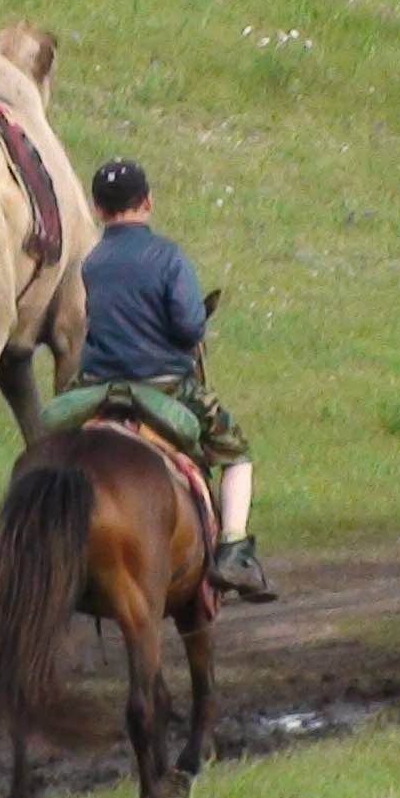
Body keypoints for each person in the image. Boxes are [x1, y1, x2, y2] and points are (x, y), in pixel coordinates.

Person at [76, 158, 274, 601]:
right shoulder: (168, 257)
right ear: (147, 202)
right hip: (165, 386)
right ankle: (232, 552)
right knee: (237, 452)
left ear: (97, 208)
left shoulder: (91, 262)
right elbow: (189, 329)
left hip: (95, 389)